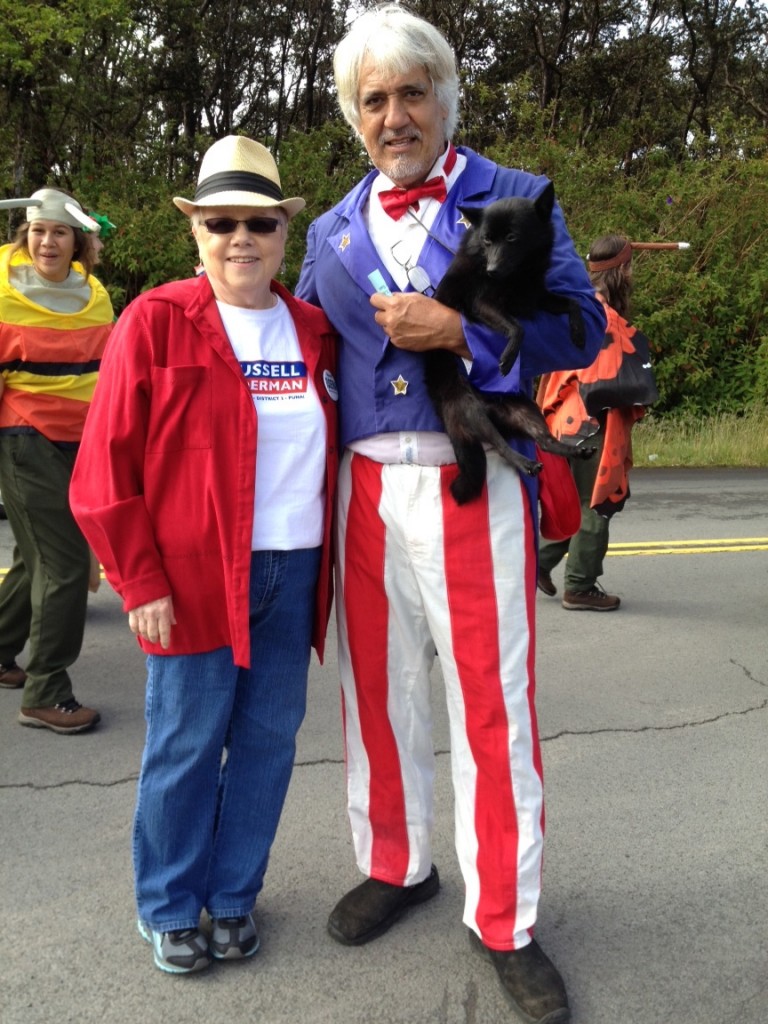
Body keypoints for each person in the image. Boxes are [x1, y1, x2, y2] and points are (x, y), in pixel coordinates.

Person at [295, 7, 605, 1023]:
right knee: (377, 700)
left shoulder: (512, 198)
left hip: (473, 481)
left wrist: (466, 328)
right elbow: (297, 350)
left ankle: (505, 916)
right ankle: (397, 860)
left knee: (491, 710)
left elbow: (581, 323)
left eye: (412, 92)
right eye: (374, 100)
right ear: (355, 116)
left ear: (446, 97)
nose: (395, 115)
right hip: (365, 490)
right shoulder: (330, 229)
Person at [69, 136, 338, 975]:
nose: (240, 238)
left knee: (267, 741)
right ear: (196, 232)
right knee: (185, 744)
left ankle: (232, 897)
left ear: (283, 234)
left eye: (258, 222)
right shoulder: (156, 319)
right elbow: (102, 469)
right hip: (188, 579)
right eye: (220, 222)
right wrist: (137, 577)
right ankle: (170, 904)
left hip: (292, 571)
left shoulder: (314, 329)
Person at [0, 188, 113, 732]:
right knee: (66, 565)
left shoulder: (94, 296)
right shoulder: (2, 291)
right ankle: (46, 691)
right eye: (39, 231)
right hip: (25, 437)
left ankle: (1, 652)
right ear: (26, 235)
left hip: (81, 441)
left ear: (78, 242)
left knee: (33, 555)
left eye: (60, 232)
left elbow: (102, 374)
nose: (48, 242)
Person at [537, 235, 650, 611]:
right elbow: (622, 385)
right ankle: (580, 586)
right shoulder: (610, 321)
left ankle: (538, 562)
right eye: (629, 269)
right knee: (595, 504)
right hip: (592, 426)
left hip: (561, 424)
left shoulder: (576, 309)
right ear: (622, 272)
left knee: (571, 502)